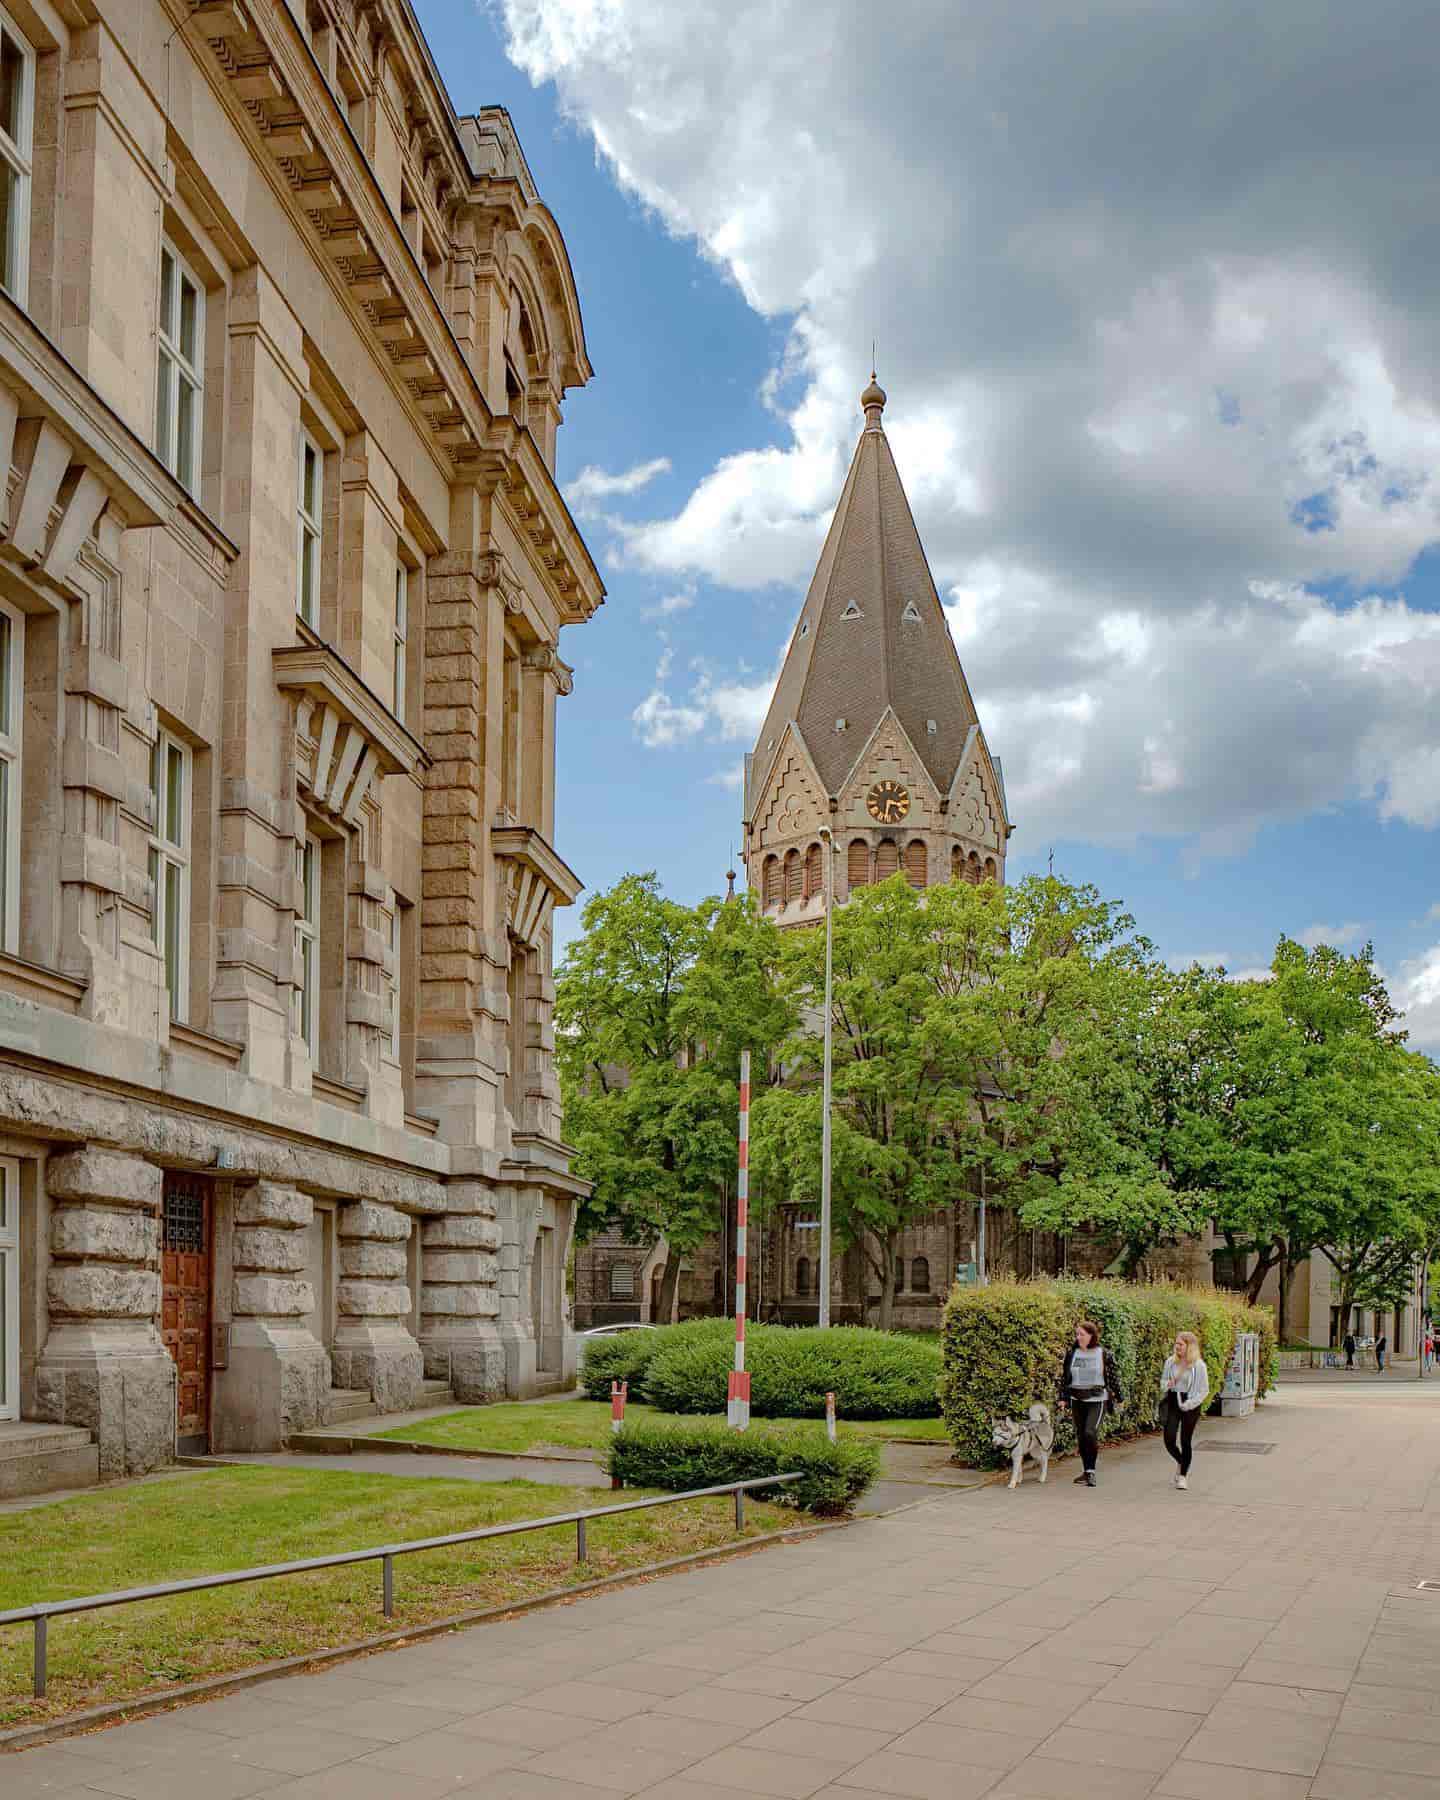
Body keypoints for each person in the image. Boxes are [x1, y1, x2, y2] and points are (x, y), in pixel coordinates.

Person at [1060, 1319, 1123, 1488]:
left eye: (1082, 1334)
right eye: (1077, 1334)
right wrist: (1063, 1398)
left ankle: (1092, 1472)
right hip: (1076, 1398)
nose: (1078, 1337)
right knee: (1081, 1436)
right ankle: (1087, 1471)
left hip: (1097, 1398)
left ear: (1091, 1336)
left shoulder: (1103, 1353)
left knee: (1089, 1432)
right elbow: (1065, 1377)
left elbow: (1113, 1377)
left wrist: (1120, 1397)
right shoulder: (1072, 1353)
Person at [1160, 1330, 1209, 1490]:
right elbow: (1163, 1381)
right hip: (1174, 1401)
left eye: (1180, 1344)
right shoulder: (1170, 1362)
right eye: (1176, 1343)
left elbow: (1204, 1390)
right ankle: (1182, 1462)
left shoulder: (1199, 1365)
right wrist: (1167, 1384)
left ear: (1189, 1346)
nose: (1177, 1346)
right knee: (1169, 1438)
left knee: (1185, 1440)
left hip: (1191, 1404)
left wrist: (1190, 1404)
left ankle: (1183, 1476)